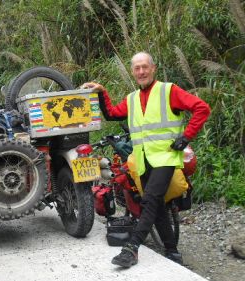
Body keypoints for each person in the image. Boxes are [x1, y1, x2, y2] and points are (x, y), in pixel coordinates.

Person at [82, 51, 210, 268]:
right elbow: (112, 114)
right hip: (143, 160)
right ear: (133, 72)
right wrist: (102, 92)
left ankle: (132, 248)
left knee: (150, 199)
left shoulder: (168, 91)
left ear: (153, 69)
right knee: (157, 206)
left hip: (166, 158)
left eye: (145, 67)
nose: (141, 71)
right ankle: (172, 251)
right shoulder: (132, 99)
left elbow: (202, 108)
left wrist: (186, 137)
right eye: (137, 68)